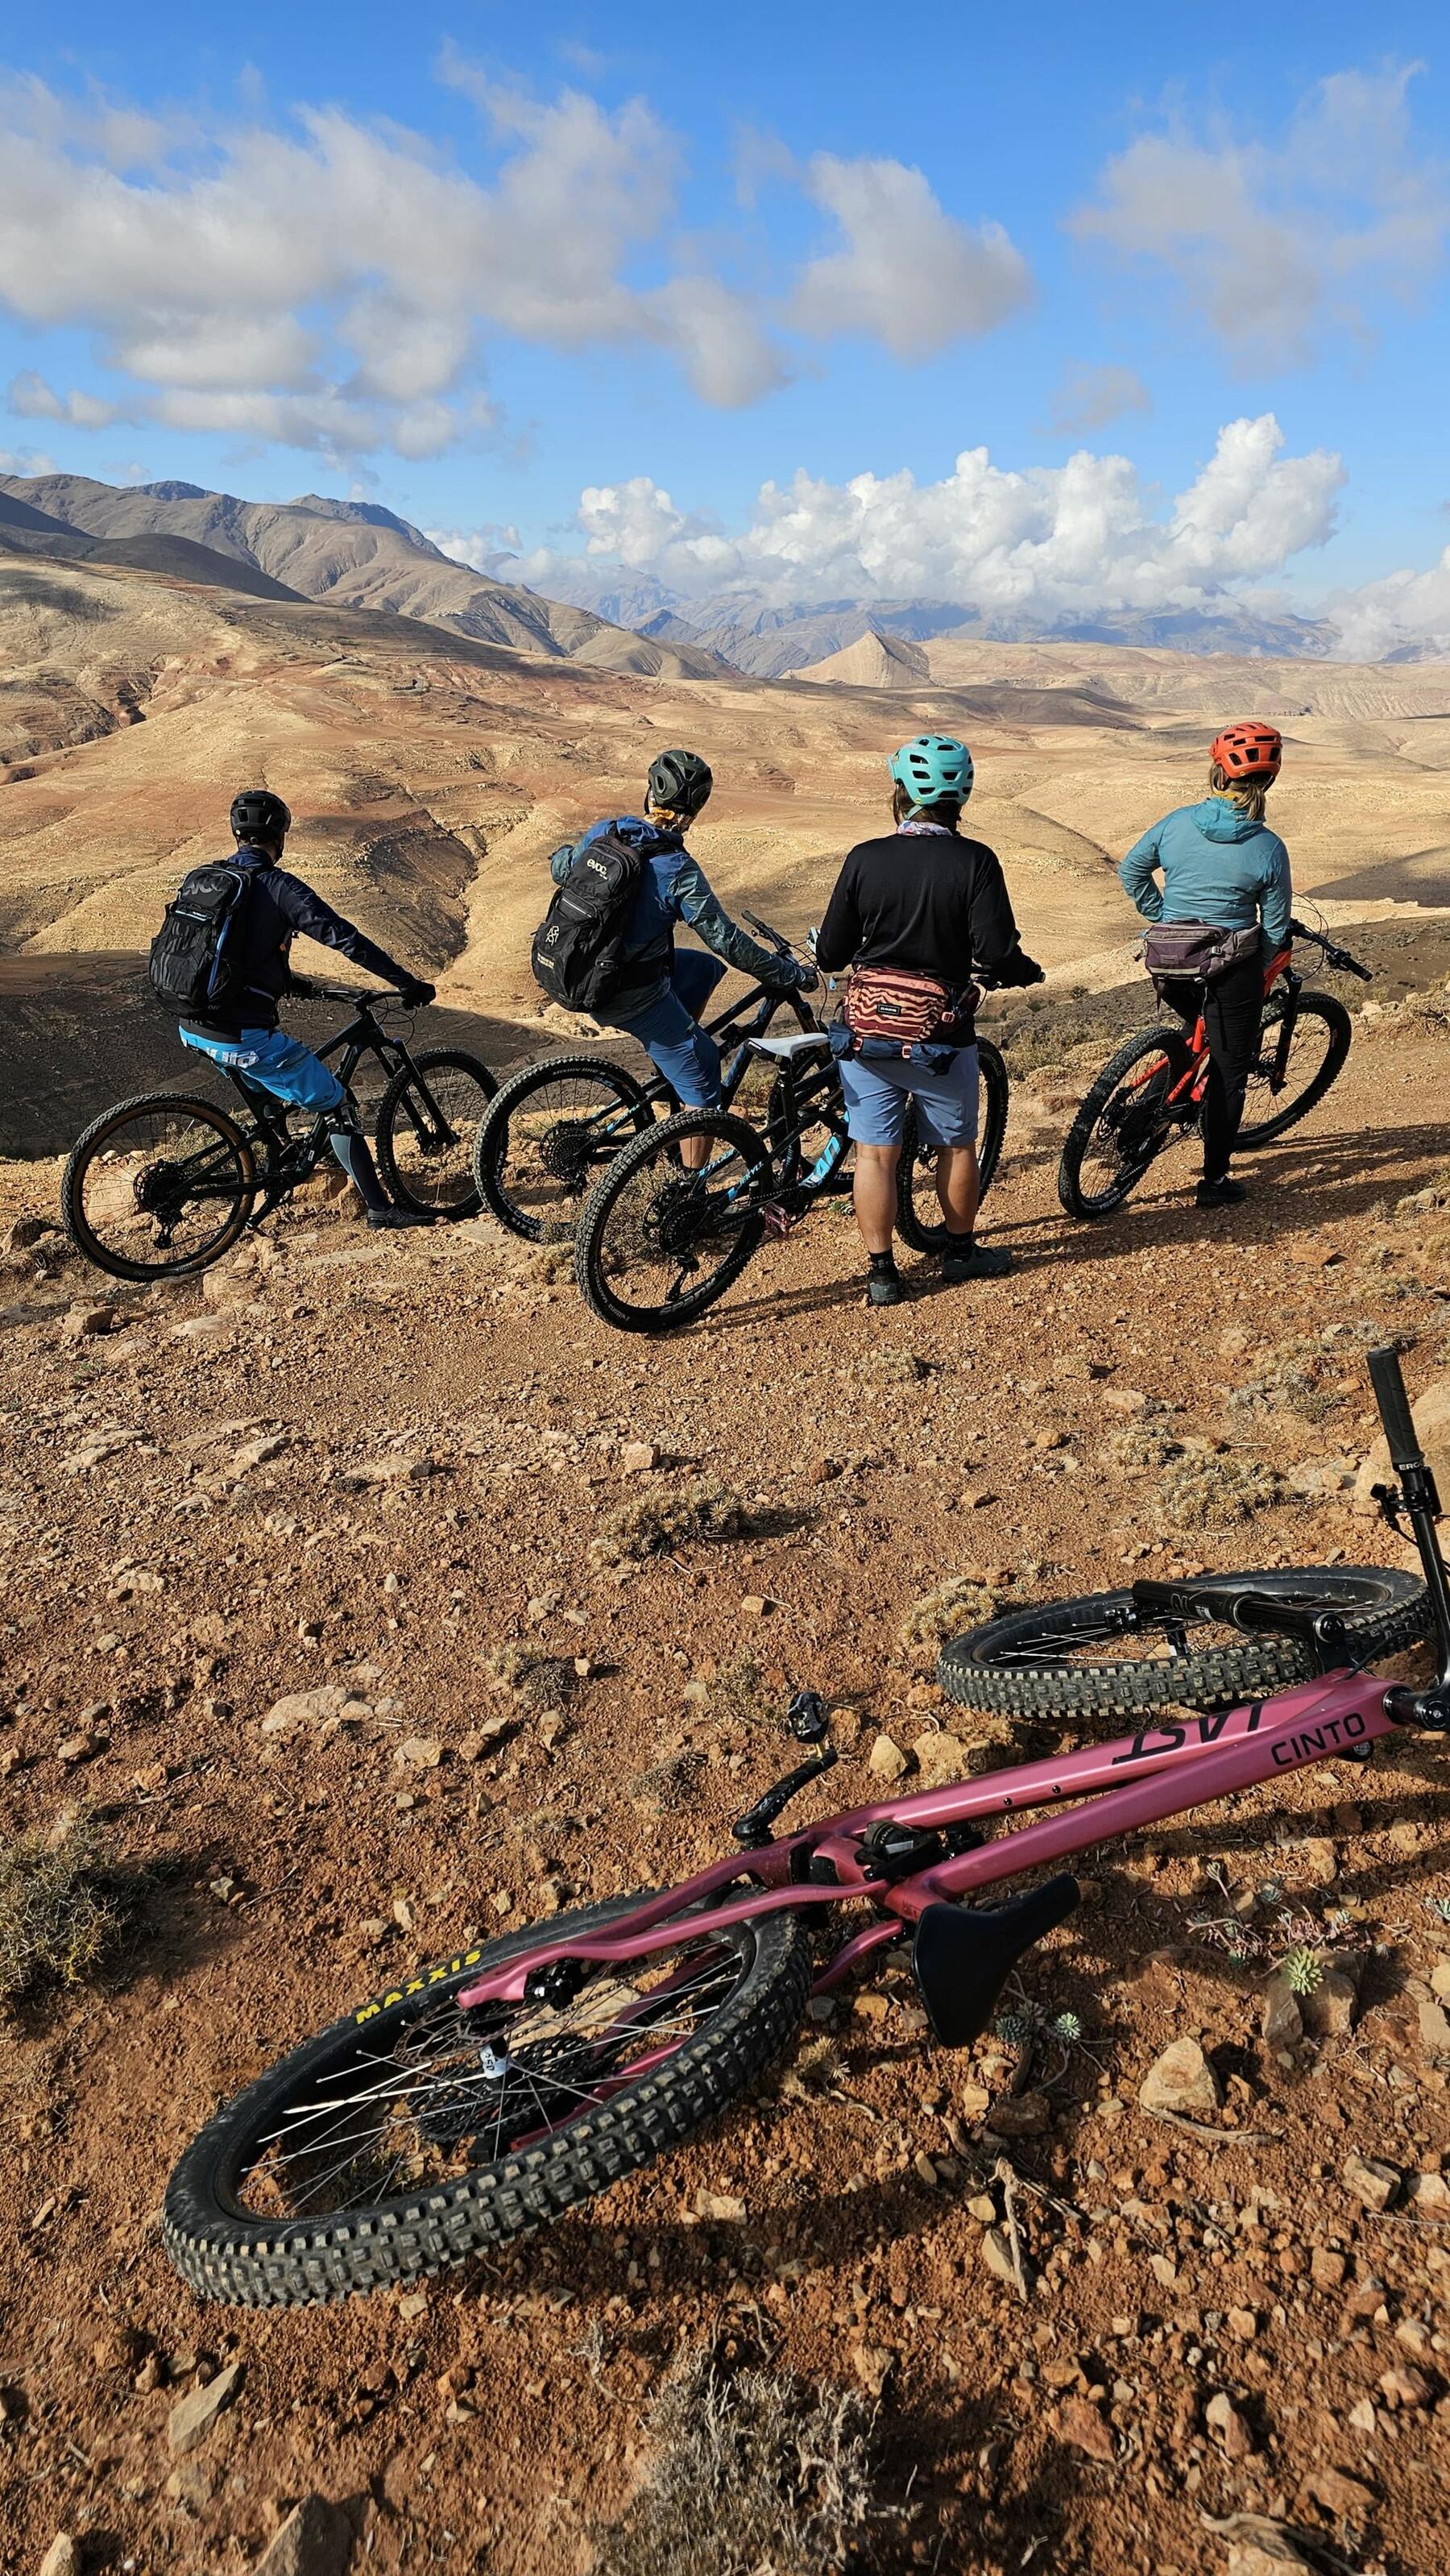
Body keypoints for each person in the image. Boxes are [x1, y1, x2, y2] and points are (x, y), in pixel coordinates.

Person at [816, 734, 1044, 1308]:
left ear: (901, 792)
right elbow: (996, 952)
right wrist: (1024, 971)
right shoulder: (976, 861)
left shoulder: (865, 857)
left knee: (874, 1154)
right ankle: (960, 1253)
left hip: (867, 1034)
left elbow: (831, 953)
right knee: (956, 1147)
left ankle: (882, 1273)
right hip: (940, 1037)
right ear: (959, 797)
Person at [175, 790, 438, 1230]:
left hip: (193, 1024)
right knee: (338, 1104)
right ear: (280, 836)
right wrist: (405, 983)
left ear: (236, 833)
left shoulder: (208, 879)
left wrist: (295, 984)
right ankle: (381, 1210)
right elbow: (345, 938)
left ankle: (278, 1165)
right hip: (242, 1035)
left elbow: (229, 954)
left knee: (266, 1092)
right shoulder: (279, 888)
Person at [547, 748, 816, 1125]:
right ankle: (688, 1147)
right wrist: (788, 974)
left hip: (577, 966)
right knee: (706, 1076)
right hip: (626, 992)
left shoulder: (606, 833)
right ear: (694, 812)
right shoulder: (678, 870)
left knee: (703, 969)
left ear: (650, 794)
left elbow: (561, 870)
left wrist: (565, 854)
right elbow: (727, 942)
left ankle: (673, 1063)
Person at [1119, 723, 1291, 1210]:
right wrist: (1261, 971)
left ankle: (1160, 1100)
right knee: (1230, 1071)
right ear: (1269, 780)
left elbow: (1131, 870)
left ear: (1218, 774)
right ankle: (1214, 1180)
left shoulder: (1176, 823)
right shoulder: (1268, 847)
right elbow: (1276, 927)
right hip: (1229, 969)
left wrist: (1164, 917)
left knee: (1194, 1026)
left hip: (1169, 959)